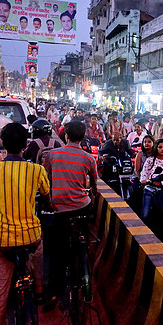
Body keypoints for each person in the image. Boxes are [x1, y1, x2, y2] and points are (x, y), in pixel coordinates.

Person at [0, 123, 52, 325]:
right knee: (37, 248)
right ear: (25, 145)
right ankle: (37, 287)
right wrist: (52, 206)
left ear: (3, 142)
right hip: (30, 236)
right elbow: (47, 200)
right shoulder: (36, 170)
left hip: (0, 239)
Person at [43, 120, 97, 305]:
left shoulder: (52, 155)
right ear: (83, 137)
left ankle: (53, 292)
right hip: (83, 206)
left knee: (56, 252)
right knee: (82, 228)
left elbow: (46, 181)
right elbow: (94, 188)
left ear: (66, 135)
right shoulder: (89, 158)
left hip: (59, 209)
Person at [140, 138, 163, 221]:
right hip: (152, 189)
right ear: (156, 148)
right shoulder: (150, 160)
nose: (162, 149)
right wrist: (144, 180)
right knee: (146, 215)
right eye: (160, 147)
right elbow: (144, 174)